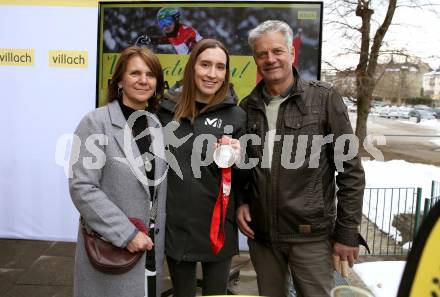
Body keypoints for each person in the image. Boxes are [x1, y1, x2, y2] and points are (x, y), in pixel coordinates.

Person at [237, 20, 366, 297]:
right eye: (262, 54)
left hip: (311, 238)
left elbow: (351, 170)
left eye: (277, 51)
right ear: (255, 59)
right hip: (263, 239)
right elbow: (243, 168)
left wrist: (346, 232)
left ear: (292, 53)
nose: (270, 59)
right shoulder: (247, 107)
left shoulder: (324, 98)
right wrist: (241, 201)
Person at [69, 46, 167, 297]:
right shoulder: (95, 122)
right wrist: (127, 234)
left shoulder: (155, 124)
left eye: (150, 74)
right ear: (120, 80)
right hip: (112, 249)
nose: (143, 80)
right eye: (135, 73)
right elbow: (83, 188)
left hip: (149, 252)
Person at [157, 39, 247, 297]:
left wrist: (239, 161)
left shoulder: (237, 116)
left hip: (218, 229)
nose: (212, 74)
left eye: (220, 67)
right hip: (177, 229)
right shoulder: (165, 112)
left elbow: (244, 179)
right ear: (192, 66)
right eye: (205, 64)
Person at [136, 7, 203, 54]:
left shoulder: (186, 31)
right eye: (162, 23)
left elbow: (193, 45)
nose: (166, 26)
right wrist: (151, 40)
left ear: (175, 20)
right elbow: (165, 40)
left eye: (168, 21)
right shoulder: (174, 35)